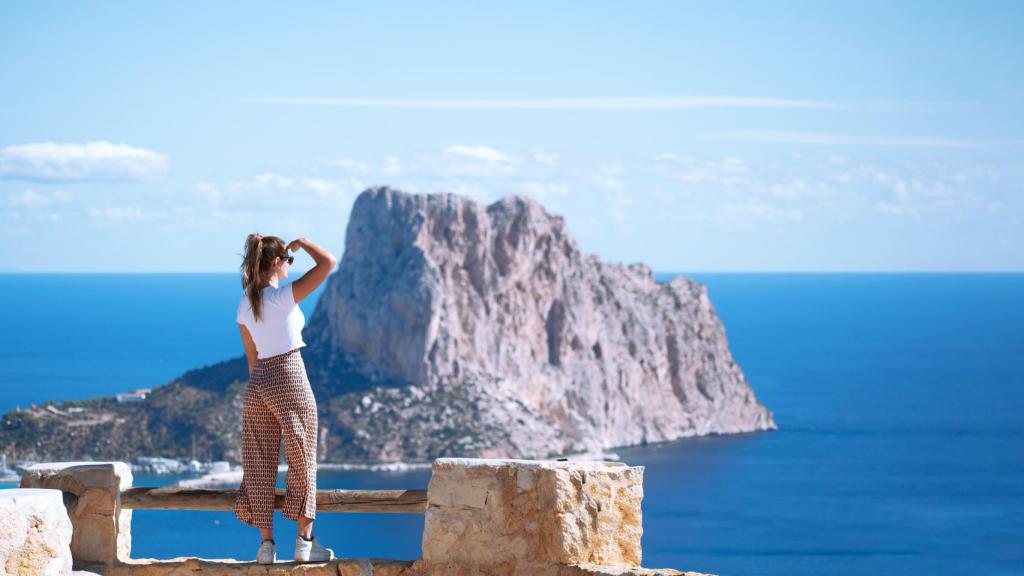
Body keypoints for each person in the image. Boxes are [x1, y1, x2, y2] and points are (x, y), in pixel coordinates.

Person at [233, 234, 337, 564]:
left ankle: (266, 547)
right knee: (301, 455)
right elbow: (328, 263)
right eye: (288, 260)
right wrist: (303, 243)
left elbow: (252, 358)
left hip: (258, 382)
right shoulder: (282, 297)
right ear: (277, 262)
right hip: (288, 373)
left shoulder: (245, 304)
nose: (291, 265)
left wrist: (263, 388)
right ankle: (305, 542)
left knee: (258, 461)